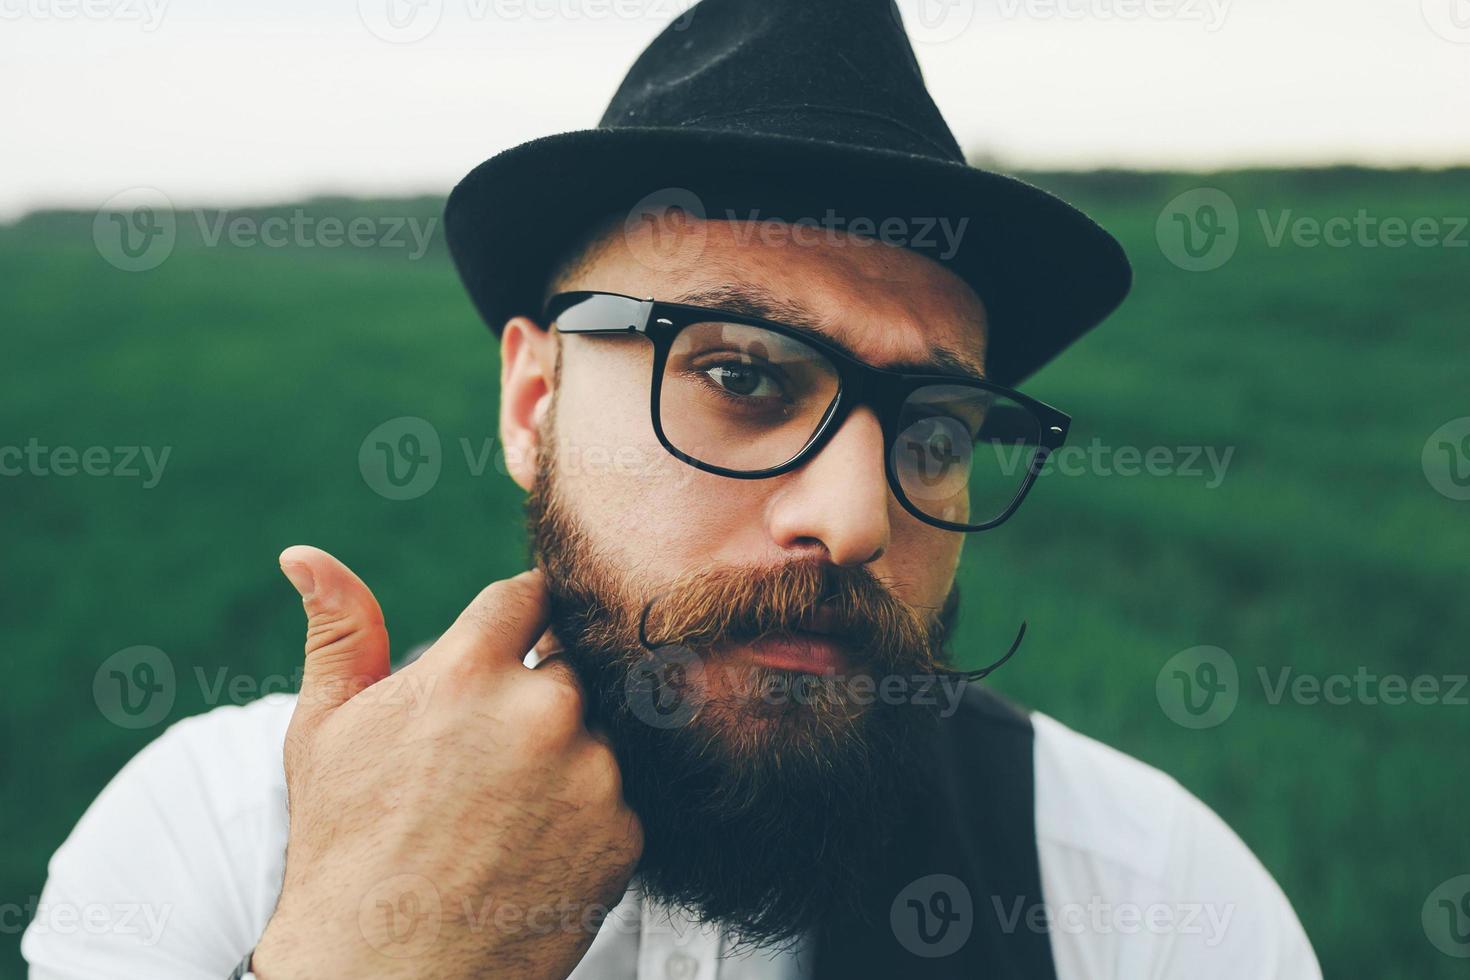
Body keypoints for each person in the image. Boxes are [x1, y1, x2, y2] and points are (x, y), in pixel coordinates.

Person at [24, 0, 1321, 977]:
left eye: (931, 431)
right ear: (533, 406)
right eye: (744, 380)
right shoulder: (216, 836)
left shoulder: (1145, 898)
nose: (856, 517)